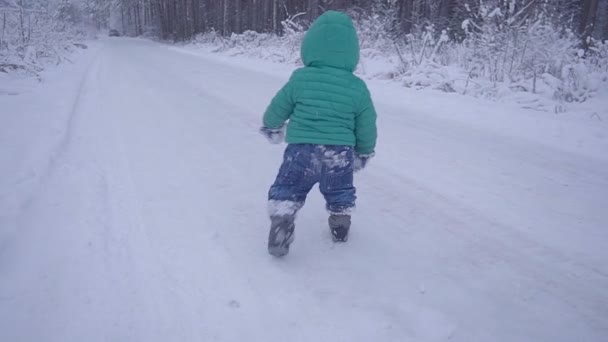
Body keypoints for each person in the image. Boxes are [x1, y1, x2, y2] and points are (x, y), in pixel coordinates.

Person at [260, 10, 377, 257]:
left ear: (310, 46)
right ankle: (340, 222)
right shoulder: (357, 87)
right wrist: (364, 151)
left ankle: (282, 218)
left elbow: (279, 106)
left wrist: (272, 125)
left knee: (289, 187)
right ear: (352, 52)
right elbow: (367, 122)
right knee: (340, 190)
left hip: (301, 150)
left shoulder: (300, 79)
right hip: (339, 152)